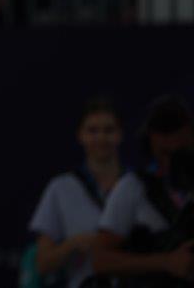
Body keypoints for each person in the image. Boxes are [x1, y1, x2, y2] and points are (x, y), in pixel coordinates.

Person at [92, 96, 194, 283]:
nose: (172, 162)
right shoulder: (133, 187)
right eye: (165, 153)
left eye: (181, 151)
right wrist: (165, 262)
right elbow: (100, 260)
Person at [27, 98, 125, 288]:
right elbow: (42, 263)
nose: (101, 138)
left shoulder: (137, 185)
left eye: (108, 130)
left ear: (120, 134)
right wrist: (73, 244)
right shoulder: (61, 188)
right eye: (93, 130)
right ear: (81, 135)